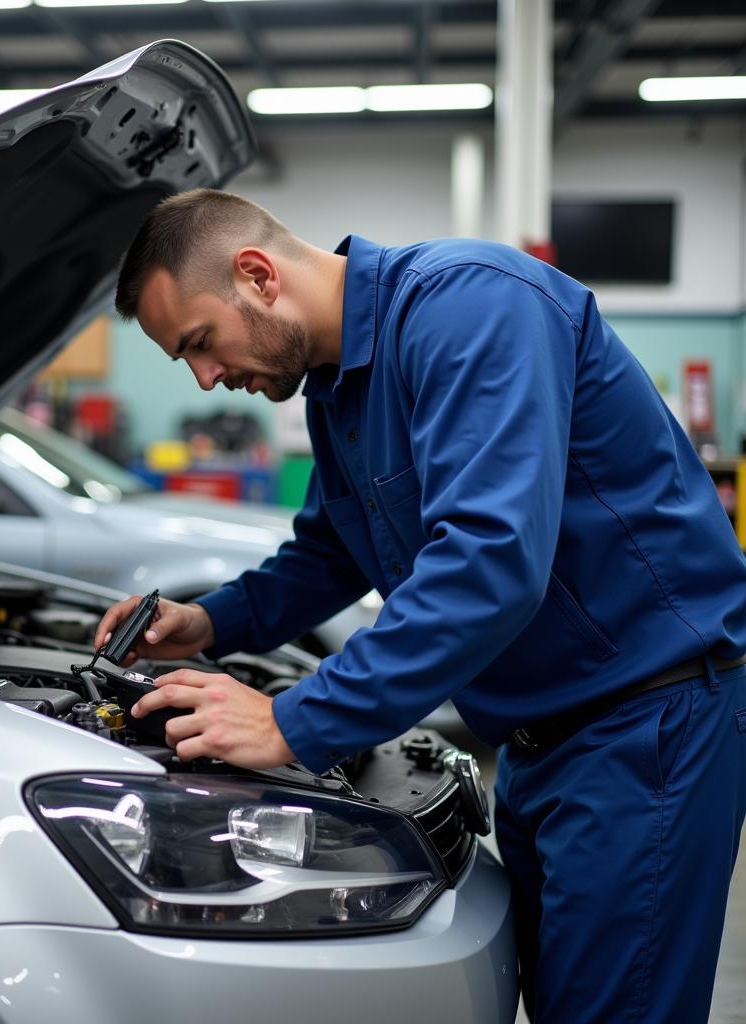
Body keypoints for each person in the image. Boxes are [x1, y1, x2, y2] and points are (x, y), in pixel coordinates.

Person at [94, 188, 746, 1023]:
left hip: (644, 729)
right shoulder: (337, 393)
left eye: (199, 343)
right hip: (543, 744)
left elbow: (489, 563)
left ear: (256, 276)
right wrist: (213, 622)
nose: (208, 377)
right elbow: (331, 552)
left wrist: (293, 721)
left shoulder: (472, 306)